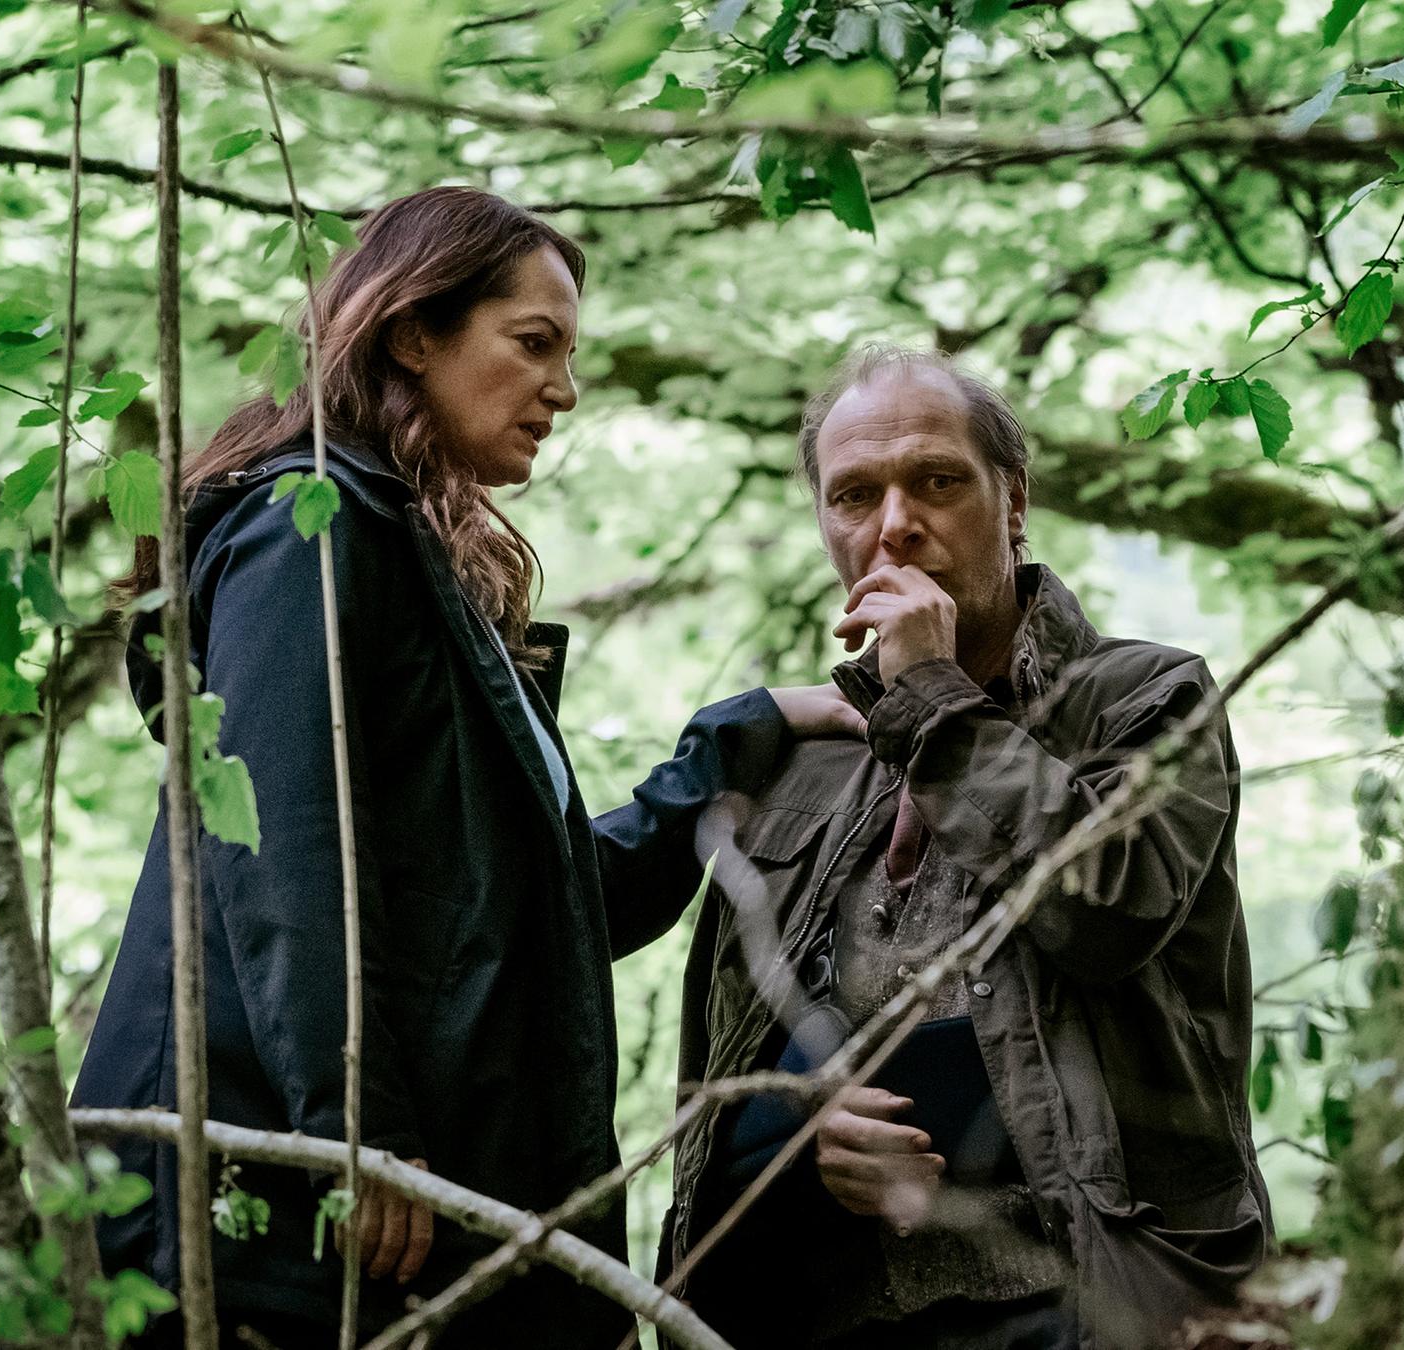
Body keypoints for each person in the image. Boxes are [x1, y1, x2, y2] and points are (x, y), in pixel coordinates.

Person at [70, 187, 856, 1349]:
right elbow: (279, 840)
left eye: (570, 354)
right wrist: (357, 1127)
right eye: (533, 344)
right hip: (270, 1226)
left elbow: (537, 912)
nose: (564, 389)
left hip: (402, 1233)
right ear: (414, 333)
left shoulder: (423, 574)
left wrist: (740, 739)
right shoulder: (312, 525)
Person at [644, 347, 1270, 1350]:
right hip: (821, 1312)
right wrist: (809, 1134)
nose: (894, 523)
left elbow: (1108, 911)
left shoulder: (1148, 699)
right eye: (854, 495)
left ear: (1012, 502)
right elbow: (718, 1093)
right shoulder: (798, 760)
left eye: (935, 480)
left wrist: (934, 699)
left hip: (1083, 1302)